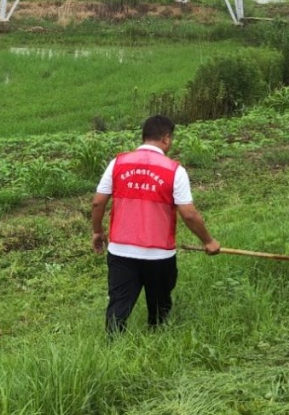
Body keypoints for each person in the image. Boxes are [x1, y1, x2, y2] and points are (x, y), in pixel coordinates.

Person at [90, 115, 220, 334]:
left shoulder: (118, 163)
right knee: (159, 308)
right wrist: (208, 241)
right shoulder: (174, 170)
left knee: (118, 305)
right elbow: (188, 214)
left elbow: (97, 202)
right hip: (159, 254)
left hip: (121, 251)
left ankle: (112, 347)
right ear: (166, 139)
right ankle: (156, 339)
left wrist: (97, 231)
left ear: (144, 136)